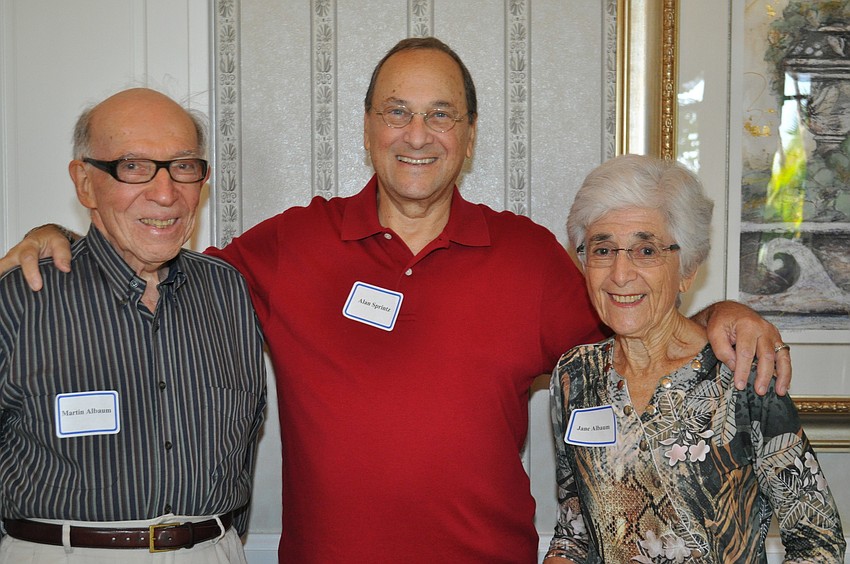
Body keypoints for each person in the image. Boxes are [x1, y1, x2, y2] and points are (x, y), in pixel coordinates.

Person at [1, 39, 791, 563]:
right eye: (399, 112)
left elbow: (637, 323)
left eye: (441, 113)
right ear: (370, 128)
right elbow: (151, 252)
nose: (419, 134)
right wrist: (58, 233)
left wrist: (719, 314)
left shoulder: (527, 257)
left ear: (471, 134)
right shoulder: (290, 247)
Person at [0, 88, 267, 563]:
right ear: (85, 183)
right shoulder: (21, 298)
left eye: (183, 166)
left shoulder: (231, 293)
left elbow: (246, 441)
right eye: (133, 167)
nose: (165, 194)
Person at [543, 154, 845, 563]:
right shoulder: (575, 374)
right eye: (603, 249)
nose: (619, 272)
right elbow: (575, 529)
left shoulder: (740, 373)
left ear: (686, 269)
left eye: (645, 250)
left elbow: (817, 541)